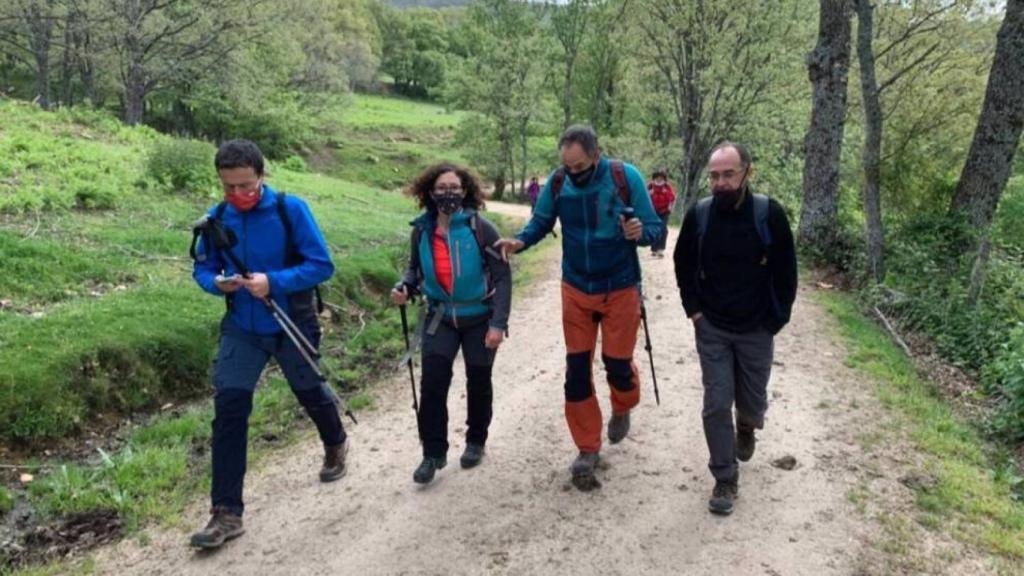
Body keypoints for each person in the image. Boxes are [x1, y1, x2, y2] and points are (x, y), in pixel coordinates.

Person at [190, 139, 347, 548]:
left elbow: (321, 265)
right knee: (229, 408)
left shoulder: (289, 209)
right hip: (243, 325)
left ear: (261, 175)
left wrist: (272, 281)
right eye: (229, 187)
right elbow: (203, 269)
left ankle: (335, 442)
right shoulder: (215, 218)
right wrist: (218, 283)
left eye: (246, 185)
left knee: (308, 390)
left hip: (292, 320)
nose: (239, 195)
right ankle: (226, 514)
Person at [495, 125, 663, 490]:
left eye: (580, 166)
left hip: (619, 287)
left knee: (618, 367)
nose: (574, 173)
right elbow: (541, 221)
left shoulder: (624, 176)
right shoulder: (559, 183)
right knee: (576, 372)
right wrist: (520, 241)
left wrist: (640, 233)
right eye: (567, 167)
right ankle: (587, 449)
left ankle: (623, 405)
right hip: (576, 287)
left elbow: (655, 229)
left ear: (597, 155)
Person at [673, 141, 797, 516]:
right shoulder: (700, 215)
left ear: (747, 172)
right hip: (712, 326)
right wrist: (694, 311)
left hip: (757, 327)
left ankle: (748, 424)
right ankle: (725, 477)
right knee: (715, 402)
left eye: (728, 174)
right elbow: (682, 263)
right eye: (714, 175)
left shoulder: (768, 214)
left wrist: (776, 319)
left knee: (752, 399)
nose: (721, 182)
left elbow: (786, 272)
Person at [391, 163, 512, 485]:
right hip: (439, 318)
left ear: (465, 191)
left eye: (454, 188)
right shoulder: (422, 231)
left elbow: (502, 276)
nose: (448, 194)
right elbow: (414, 271)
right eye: (442, 188)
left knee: (478, 379)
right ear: (430, 193)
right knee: (432, 384)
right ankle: (432, 453)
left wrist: (498, 324)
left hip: (479, 317)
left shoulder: (481, 228)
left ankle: (476, 441)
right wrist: (405, 287)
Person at [647, 169, 676, 258]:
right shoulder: (650, 186)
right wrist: (649, 194)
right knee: (655, 229)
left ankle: (661, 249)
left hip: (664, 211)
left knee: (663, 229)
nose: (659, 179)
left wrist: (670, 207)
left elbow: (672, 198)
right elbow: (644, 196)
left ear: (664, 178)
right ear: (654, 178)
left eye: (661, 177)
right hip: (653, 211)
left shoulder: (667, 187)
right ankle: (654, 249)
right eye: (657, 177)